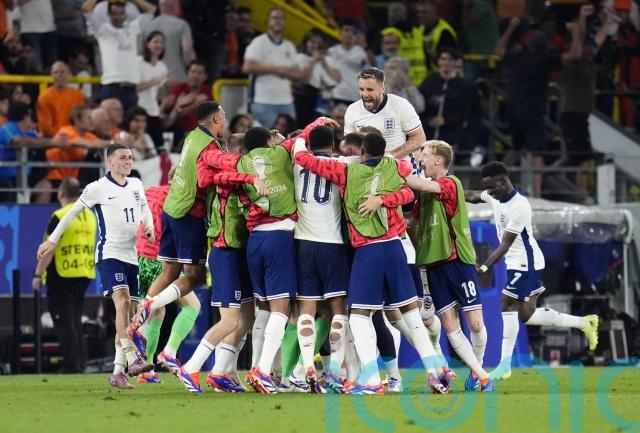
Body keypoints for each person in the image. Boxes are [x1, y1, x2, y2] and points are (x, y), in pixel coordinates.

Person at [293, 132, 446, 395]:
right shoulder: (396, 166)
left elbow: (303, 158)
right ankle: (435, 372)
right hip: (395, 248)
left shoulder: (345, 172)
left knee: (359, 317)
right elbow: (409, 192)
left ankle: (372, 381)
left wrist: (304, 135)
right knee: (411, 315)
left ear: (361, 153)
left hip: (368, 251)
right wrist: (385, 198)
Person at [199, 116, 335, 394]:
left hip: (253, 242)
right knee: (281, 310)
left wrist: (248, 177)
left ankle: (257, 368)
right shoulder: (281, 152)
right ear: (269, 142)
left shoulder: (241, 162)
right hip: (280, 236)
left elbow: (214, 177)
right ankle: (262, 370)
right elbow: (302, 138)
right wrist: (319, 120)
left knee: (263, 310)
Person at [466, 161, 600, 379]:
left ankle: (505, 366)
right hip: (517, 262)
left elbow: (505, 244)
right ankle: (584, 322)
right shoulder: (495, 196)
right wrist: (447, 190)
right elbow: (472, 195)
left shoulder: (520, 206)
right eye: (487, 188)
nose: (489, 192)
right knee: (526, 315)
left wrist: (484, 266)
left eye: (492, 187)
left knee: (507, 304)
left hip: (525, 263)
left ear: (504, 181)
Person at [37, 144, 156, 389]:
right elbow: (71, 213)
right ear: (109, 161)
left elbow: (144, 209)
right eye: (122, 158)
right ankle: (133, 359)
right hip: (109, 254)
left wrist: (149, 226)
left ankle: (117, 372)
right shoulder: (97, 188)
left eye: (130, 157)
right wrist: (52, 240)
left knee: (130, 313)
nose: (128, 161)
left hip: (131, 255)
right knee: (122, 302)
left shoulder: (136, 184)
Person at [406, 140, 493, 392]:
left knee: (475, 323)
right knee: (449, 325)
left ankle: (478, 368)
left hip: (457, 260)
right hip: (434, 265)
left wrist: (397, 170)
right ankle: (481, 375)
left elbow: (424, 185)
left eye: (425, 155)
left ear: (438, 159)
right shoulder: (425, 194)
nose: (421, 160)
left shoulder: (450, 183)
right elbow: (412, 222)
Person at [176, 134, 261, 394]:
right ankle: (191, 368)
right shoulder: (223, 178)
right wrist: (251, 179)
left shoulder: (235, 177)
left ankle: (220, 372)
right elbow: (213, 179)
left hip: (239, 252)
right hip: (225, 252)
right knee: (230, 320)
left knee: (246, 318)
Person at [292, 125, 352, 393]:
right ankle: (335, 372)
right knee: (338, 308)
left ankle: (307, 366)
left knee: (307, 308)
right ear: (333, 145)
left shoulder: (297, 165)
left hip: (303, 243)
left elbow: (296, 144)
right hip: (333, 245)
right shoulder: (342, 165)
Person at [134, 168, 201, 384]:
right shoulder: (179, 199)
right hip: (159, 261)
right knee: (193, 306)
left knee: (156, 312)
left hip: (138, 258)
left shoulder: (150, 191)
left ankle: (146, 369)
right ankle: (169, 352)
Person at [32, 177, 96, 373]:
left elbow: (49, 249)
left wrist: (37, 274)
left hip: (61, 274)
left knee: (63, 322)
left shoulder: (60, 215)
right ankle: (80, 363)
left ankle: (72, 365)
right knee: (75, 321)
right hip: (84, 273)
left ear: (60, 193)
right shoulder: (90, 215)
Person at [343, 68, 426, 172]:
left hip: (399, 168)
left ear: (382, 88)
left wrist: (389, 157)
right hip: (368, 170)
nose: (365, 94)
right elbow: (349, 144)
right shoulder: (352, 110)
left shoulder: (400, 105)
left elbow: (419, 138)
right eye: (361, 89)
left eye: (370, 89)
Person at [242, 7, 297, 129]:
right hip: (263, 101)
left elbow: (295, 71)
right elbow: (247, 67)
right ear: (267, 21)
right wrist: (276, 69)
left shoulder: (289, 46)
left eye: (281, 18)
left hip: (286, 101)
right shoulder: (258, 42)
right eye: (274, 18)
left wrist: (291, 73)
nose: (278, 21)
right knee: (265, 138)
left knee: (291, 137)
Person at [137, 31, 169, 150]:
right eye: (155, 41)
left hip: (154, 111)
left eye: (161, 42)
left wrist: (161, 108)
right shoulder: (138, 62)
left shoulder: (162, 66)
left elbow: (160, 93)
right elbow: (135, 88)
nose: (159, 45)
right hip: (139, 108)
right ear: (148, 44)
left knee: (159, 145)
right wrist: (155, 81)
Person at [36, 61, 85, 138]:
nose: (59, 75)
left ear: (69, 74)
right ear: (51, 75)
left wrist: (73, 136)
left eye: (62, 72)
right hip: (52, 139)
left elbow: (81, 120)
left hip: (75, 137)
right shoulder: (44, 97)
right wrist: (62, 136)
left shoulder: (78, 95)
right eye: (56, 72)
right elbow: (45, 126)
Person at [328, 18, 369, 106]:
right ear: (340, 32)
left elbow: (371, 67)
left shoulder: (361, 52)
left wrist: (365, 47)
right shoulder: (331, 51)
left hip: (355, 97)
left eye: (353, 32)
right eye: (346, 30)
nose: (349, 34)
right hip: (337, 95)